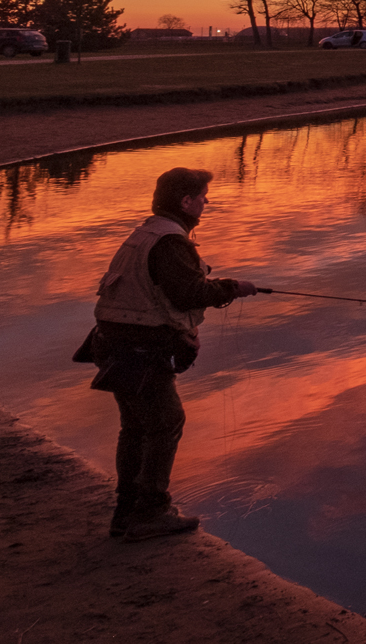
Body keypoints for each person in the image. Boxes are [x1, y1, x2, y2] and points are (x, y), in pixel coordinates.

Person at [79, 167, 261, 541]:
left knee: (135, 428)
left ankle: (126, 511)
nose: (206, 202)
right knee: (164, 423)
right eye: (202, 197)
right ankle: (150, 512)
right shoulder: (170, 242)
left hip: (112, 343)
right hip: (137, 351)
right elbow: (189, 294)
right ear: (185, 202)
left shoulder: (146, 232)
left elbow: (166, 292)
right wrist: (232, 287)